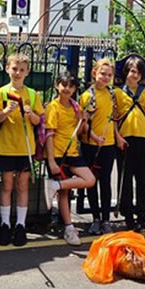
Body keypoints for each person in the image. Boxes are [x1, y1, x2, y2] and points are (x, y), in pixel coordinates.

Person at [0, 53, 43, 246]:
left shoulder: (31, 94)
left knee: (22, 186)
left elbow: (39, 121)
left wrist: (31, 115)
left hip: (25, 147)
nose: (18, 73)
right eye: (14, 69)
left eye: (22, 70)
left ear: (27, 72)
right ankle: (5, 223)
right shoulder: (1, 93)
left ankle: (20, 225)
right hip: (6, 147)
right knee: (6, 186)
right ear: (7, 69)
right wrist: (6, 111)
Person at [44, 72, 96, 246]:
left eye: (71, 86)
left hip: (73, 153)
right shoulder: (53, 107)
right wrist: (51, 161)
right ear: (57, 85)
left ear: (75, 89)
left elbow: (80, 131)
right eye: (63, 85)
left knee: (89, 179)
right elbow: (48, 135)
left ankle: (55, 185)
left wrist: (84, 120)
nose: (67, 89)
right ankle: (68, 228)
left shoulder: (75, 107)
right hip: (58, 154)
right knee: (64, 194)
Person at [80, 58, 124, 235]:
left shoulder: (112, 94)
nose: (105, 78)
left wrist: (118, 137)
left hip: (109, 145)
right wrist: (94, 137)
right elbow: (83, 123)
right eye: (102, 74)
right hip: (90, 144)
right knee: (92, 182)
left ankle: (106, 219)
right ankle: (95, 218)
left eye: (109, 75)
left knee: (106, 182)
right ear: (94, 73)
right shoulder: (87, 96)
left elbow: (112, 120)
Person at [115, 56, 145, 231]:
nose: (135, 75)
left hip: (143, 140)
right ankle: (128, 216)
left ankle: (141, 215)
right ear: (126, 72)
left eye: (138, 73)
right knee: (125, 181)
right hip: (125, 140)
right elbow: (114, 119)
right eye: (132, 71)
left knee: (143, 180)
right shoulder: (116, 93)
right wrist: (117, 137)